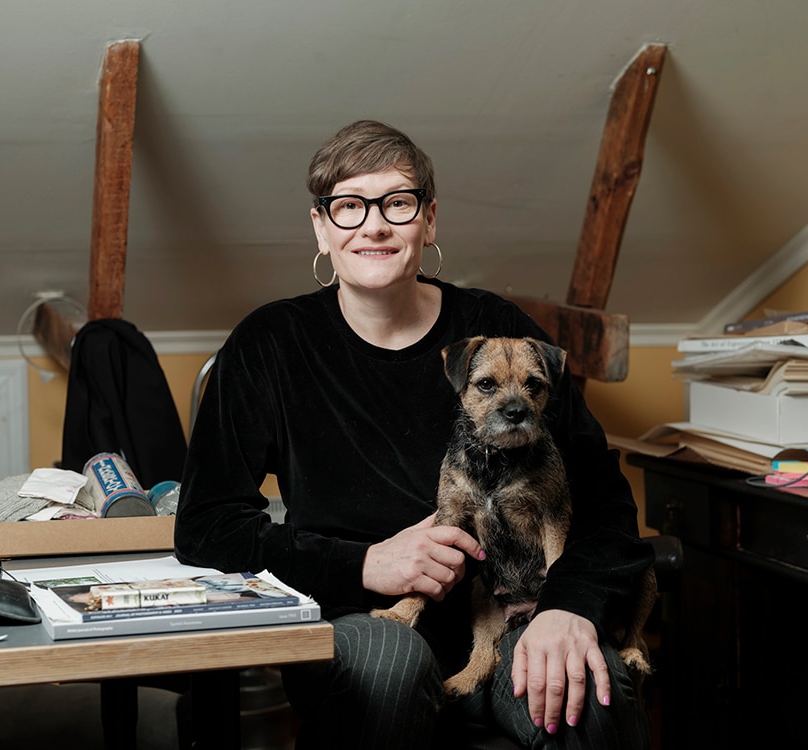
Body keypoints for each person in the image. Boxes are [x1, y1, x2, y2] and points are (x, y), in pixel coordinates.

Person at [174, 120, 654, 749]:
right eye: (348, 206)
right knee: (386, 669)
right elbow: (208, 527)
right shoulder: (270, 344)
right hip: (362, 619)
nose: (373, 226)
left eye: (397, 203)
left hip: (519, 611)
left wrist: (569, 605)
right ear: (321, 227)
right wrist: (367, 563)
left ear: (428, 221)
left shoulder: (497, 332)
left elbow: (604, 501)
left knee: (583, 691)